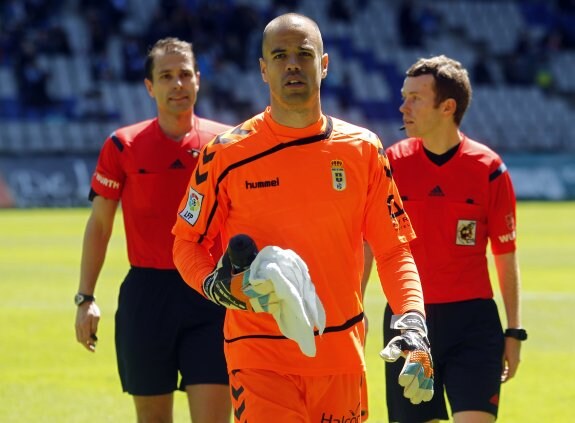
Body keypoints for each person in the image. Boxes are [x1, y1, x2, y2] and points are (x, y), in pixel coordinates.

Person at [172, 13, 433, 422]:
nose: (292, 64)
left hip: (341, 356)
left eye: (303, 54)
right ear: (263, 69)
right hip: (258, 353)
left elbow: (393, 251)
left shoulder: (363, 150)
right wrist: (213, 286)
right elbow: (187, 243)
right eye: (279, 55)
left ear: (324, 64)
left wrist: (414, 321)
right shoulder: (224, 155)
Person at [74, 37, 232, 423]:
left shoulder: (229, 144)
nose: (177, 84)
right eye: (166, 76)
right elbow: (99, 225)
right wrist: (85, 298)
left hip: (211, 294)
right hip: (147, 297)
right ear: (150, 86)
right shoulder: (122, 146)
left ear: (198, 79)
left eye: (184, 74)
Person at [381, 55, 526, 422]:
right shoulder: (392, 164)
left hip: (473, 325)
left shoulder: (490, 170)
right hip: (408, 321)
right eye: (404, 95)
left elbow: (506, 255)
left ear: (447, 107)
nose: (403, 106)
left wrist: (514, 331)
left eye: (415, 97)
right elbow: (369, 246)